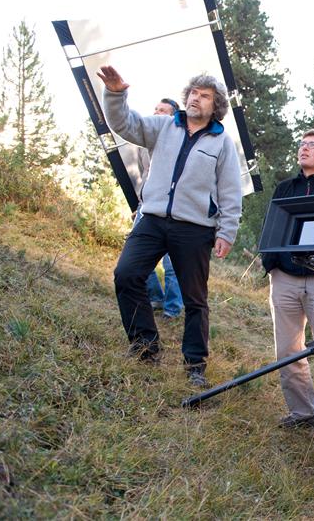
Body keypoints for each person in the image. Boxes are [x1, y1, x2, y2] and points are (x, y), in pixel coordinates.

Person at [98, 65, 243, 387]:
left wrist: (226, 232)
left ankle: (195, 365)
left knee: (195, 299)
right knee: (126, 274)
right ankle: (145, 348)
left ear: (215, 105)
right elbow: (125, 124)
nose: (196, 99)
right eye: (193, 93)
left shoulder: (222, 143)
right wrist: (115, 94)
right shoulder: (164, 126)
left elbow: (230, 191)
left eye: (204, 96)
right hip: (151, 218)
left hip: (194, 228)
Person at [260, 130, 314, 447]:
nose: (304, 148)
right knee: (287, 350)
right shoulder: (285, 188)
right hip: (284, 277)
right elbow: (272, 225)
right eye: (301, 144)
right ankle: (302, 412)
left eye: (312, 145)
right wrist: (270, 264)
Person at [132, 98, 183, 320]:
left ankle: (172, 308)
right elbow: (143, 176)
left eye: (162, 111)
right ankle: (155, 297)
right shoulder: (144, 143)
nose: (156, 112)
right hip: (146, 206)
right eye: (155, 109)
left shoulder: (181, 142)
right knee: (136, 258)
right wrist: (138, 205)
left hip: (174, 209)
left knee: (172, 264)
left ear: (172, 117)